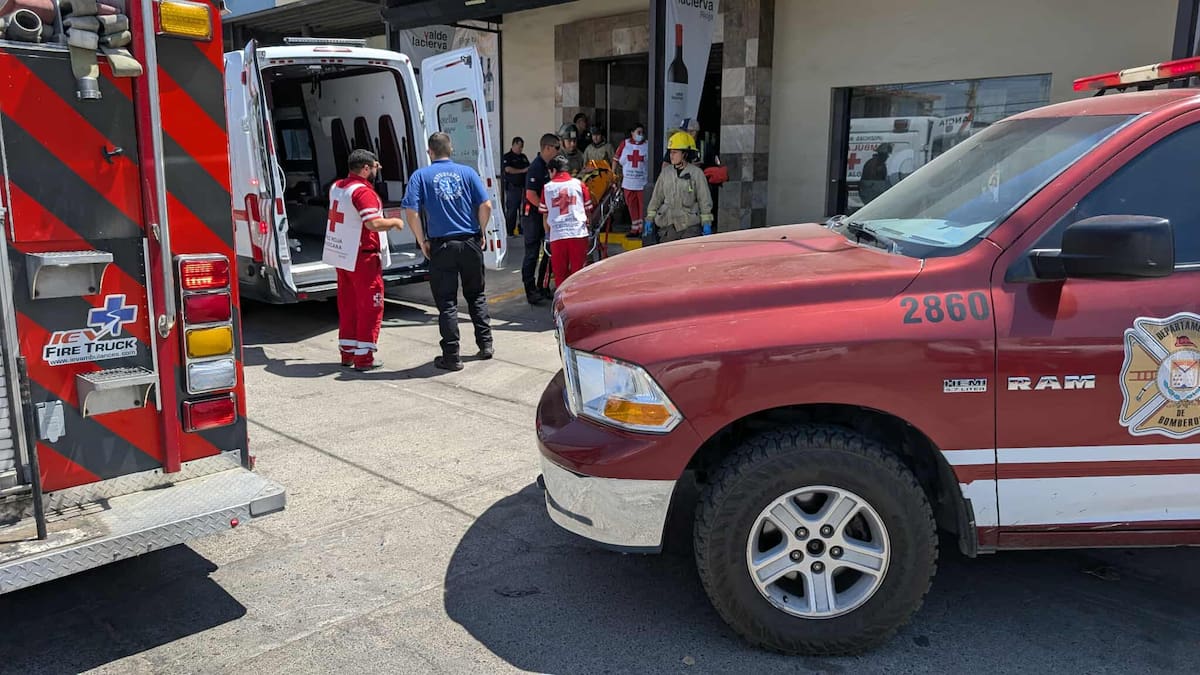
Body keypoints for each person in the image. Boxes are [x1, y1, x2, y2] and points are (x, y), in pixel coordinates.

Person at [401, 132, 494, 372]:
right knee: (476, 295)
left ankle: (452, 356)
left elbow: (410, 211)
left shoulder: (421, 176)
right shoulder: (468, 173)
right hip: (470, 241)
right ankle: (485, 345)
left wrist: (422, 241)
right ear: (450, 149)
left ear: (430, 152)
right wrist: (482, 232)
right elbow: (486, 205)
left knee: (447, 303)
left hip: (441, 246)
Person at [322, 150, 406, 371]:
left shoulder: (337, 187)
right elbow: (373, 224)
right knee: (370, 306)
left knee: (348, 305)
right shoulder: (362, 192)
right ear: (366, 168)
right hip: (363, 257)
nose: (377, 170)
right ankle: (364, 358)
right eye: (375, 166)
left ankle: (347, 353)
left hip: (343, 255)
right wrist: (395, 222)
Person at [645, 131, 713, 243]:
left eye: (675, 152)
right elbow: (656, 197)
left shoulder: (696, 173)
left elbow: (704, 200)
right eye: (670, 152)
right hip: (668, 227)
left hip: (689, 227)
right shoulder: (666, 173)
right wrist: (650, 218)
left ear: (685, 154)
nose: (671, 156)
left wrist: (706, 223)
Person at [540, 155, 594, 288]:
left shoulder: (547, 188)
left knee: (560, 275)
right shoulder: (579, 184)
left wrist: (547, 235)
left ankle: (562, 305)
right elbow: (588, 211)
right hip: (578, 234)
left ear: (553, 170)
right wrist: (589, 228)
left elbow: (545, 216)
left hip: (557, 236)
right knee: (579, 274)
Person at [521, 133, 561, 305]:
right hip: (533, 217)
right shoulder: (536, 167)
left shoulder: (550, 166)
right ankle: (530, 290)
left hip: (545, 216)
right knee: (532, 253)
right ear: (547, 148)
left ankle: (542, 286)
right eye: (556, 148)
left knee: (547, 251)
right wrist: (545, 209)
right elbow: (531, 194)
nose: (558, 151)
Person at [614, 123, 650, 236]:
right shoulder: (625, 144)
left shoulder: (647, 145)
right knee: (631, 206)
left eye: (642, 133)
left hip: (642, 182)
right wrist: (613, 175)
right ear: (632, 133)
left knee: (643, 206)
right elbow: (615, 159)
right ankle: (635, 228)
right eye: (638, 132)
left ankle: (642, 229)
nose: (641, 135)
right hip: (628, 182)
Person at [501, 137, 529, 237]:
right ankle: (510, 231)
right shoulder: (507, 157)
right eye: (519, 146)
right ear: (513, 145)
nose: (520, 149)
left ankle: (522, 229)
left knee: (524, 210)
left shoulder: (523, 157)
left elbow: (528, 168)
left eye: (522, 147)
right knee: (512, 211)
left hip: (523, 187)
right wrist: (522, 171)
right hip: (513, 188)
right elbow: (508, 169)